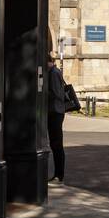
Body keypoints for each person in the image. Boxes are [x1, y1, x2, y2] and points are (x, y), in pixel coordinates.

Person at [46, 52, 68, 185]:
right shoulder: (54, 72)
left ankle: (59, 175)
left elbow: (56, 94)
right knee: (55, 143)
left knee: (56, 144)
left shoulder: (53, 73)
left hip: (55, 111)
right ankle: (58, 174)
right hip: (56, 111)